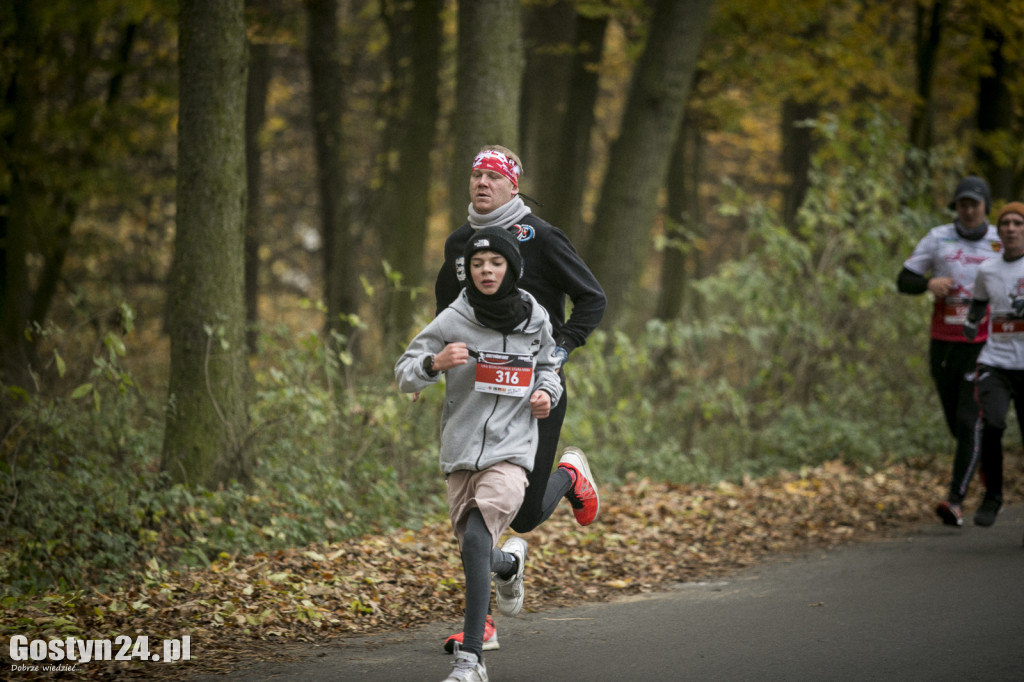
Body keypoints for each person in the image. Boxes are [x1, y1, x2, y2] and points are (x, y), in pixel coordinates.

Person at [434, 145, 605, 651]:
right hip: (477, 395)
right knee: (475, 515)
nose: (482, 183)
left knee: (525, 515)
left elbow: (592, 297)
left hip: (535, 391)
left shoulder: (542, 236)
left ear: (513, 186)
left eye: (493, 176)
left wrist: (562, 349)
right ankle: (482, 622)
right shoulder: (460, 243)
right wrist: (438, 361)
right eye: (475, 174)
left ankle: (570, 474)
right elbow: (445, 309)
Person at [396, 226, 564, 682]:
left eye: (495, 264)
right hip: (460, 452)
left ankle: (471, 661)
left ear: (512, 268)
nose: (486, 271)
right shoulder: (453, 319)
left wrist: (545, 393)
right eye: (477, 265)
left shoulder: (537, 318)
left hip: (512, 450)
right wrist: (435, 364)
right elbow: (405, 372)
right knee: (476, 550)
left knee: (474, 540)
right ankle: (509, 564)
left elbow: (550, 367)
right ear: (467, 271)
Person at [897, 175, 1001, 526]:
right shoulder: (938, 238)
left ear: (986, 205)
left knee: (968, 419)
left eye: (974, 203)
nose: (968, 210)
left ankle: (955, 501)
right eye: (962, 204)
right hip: (943, 342)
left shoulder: (1002, 241)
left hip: (983, 343)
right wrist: (929, 283)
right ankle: (987, 461)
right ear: (955, 207)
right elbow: (903, 280)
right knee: (957, 428)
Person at [961, 201, 1024, 528]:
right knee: (994, 424)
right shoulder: (988, 270)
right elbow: (978, 304)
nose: (1011, 228)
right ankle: (993, 495)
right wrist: (970, 325)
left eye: (1018, 223)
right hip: (995, 362)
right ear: (998, 232)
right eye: (1005, 224)